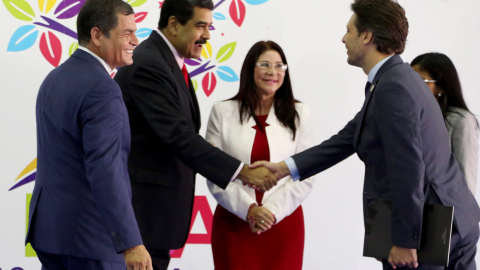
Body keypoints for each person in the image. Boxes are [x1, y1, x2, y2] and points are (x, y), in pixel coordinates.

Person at [250, 0, 480, 269]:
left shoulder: (394, 88)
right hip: (450, 218)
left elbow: (408, 167)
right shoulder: (392, 80)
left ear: (367, 36)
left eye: (349, 30)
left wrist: (406, 240)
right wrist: (284, 168)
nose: (343, 38)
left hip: (430, 229)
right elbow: (347, 138)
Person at [113, 0, 277, 269]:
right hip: (141, 221)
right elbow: (178, 136)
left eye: (210, 26)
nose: (208, 35)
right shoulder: (149, 64)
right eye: (200, 26)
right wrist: (243, 172)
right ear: (174, 24)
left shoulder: (166, 62)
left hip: (154, 221)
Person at [26, 0, 152, 269]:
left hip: (50, 235)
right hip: (90, 240)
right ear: (97, 35)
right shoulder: (102, 88)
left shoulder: (54, 78)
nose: (136, 40)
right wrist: (131, 243)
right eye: (127, 33)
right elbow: (106, 168)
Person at [206, 41, 314, 270]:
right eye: (265, 64)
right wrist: (249, 210)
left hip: (283, 222)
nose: (272, 72)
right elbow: (213, 170)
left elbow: (306, 173)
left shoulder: (300, 113)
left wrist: (271, 213)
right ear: (249, 69)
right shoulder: (222, 112)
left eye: (279, 65)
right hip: (234, 221)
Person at [411, 53, 479, 195]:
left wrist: (458, 215)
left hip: (442, 209)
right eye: (410, 80)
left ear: (441, 87)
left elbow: (465, 177)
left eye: (421, 81)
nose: (412, 86)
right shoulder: (409, 118)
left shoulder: (461, 121)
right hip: (410, 206)